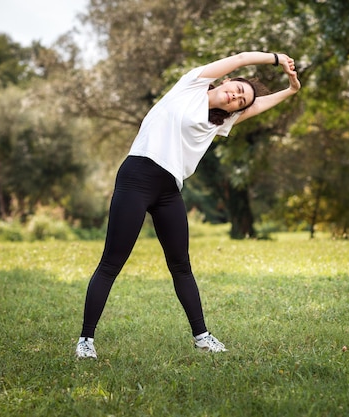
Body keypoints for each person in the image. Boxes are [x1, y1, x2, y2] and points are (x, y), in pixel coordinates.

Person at [76, 51, 301, 359]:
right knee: (112, 262)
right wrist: (275, 59)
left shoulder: (219, 122)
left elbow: (259, 105)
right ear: (226, 81)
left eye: (240, 101)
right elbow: (239, 58)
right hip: (137, 177)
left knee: (181, 265)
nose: (236, 97)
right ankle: (86, 340)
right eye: (237, 89)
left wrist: (290, 90)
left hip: (169, 189)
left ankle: (202, 337)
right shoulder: (190, 86)